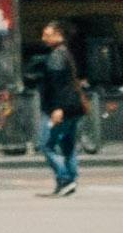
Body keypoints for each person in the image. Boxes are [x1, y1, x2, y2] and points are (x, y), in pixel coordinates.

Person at [30, 23, 88, 195]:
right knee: (67, 146)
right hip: (74, 107)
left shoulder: (56, 56)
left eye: (47, 34)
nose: (43, 38)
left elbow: (58, 86)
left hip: (61, 108)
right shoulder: (66, 53)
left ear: (58, 35)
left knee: (46, 145)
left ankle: (64, 179)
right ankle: (71, 180)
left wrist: (57, 108)